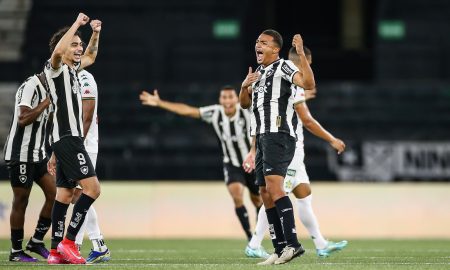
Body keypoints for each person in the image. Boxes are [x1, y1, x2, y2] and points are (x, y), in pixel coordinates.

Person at [244, 46, 347, 259]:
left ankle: (320, 243)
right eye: (308, 64)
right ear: (302, 63)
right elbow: (307, 120)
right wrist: (332, 139)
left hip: (291, 149)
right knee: (274, 192)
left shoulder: (282, 83)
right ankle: (256, 243)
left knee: (304, 194)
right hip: (286, 148)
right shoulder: (289, 75)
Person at [139, 86, 265, 247]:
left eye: (230, 97)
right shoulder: (215, 113)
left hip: (251, 163)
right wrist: (160, 103)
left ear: (236, 98)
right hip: (231, 163)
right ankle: (250, 239)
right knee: (237, 195)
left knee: (257, 200)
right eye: (224, 98)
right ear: (220, 100)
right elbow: (187, 111)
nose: (227, 101)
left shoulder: (246, 111)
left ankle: (258, 235)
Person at [239, 29, 317, 265]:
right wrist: (244, 86)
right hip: (262, 136)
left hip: (279, 134)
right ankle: (279, 247)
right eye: (256, 42)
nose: (257, 45)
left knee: (274, 189)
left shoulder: (283, 66)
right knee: (264, 193)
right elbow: (244, 105)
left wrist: (301, 53)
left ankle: (293, 245)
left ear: (275, 49)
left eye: (263, 42)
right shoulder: (259, 73)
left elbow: (308, 83)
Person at [45, 13, 102, 264]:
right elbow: (58, 50)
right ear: (63, 47)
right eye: (75, 44)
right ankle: (69, 242)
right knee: (92, 189)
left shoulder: (75, 68)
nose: (79, 48)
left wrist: (95, 34)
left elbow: (91, 56)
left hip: (64, 140)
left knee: (65, 194)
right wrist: (77, 24)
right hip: (69, 137)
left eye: (79, 44)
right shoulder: (55, 68)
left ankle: (56, 251)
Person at [3, 74, 55, 262]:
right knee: (21, 200)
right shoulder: (30, 86)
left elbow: (48, 122)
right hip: (20, 155)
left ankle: (36, 241)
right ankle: (16, 252)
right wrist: (46, 102)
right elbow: (23, 118)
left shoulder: (54, 88)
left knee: (55, 194)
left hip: (38, 154)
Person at [70, 69, 111, 263]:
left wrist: (77, 144)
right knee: (79, 195)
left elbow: (87, 116)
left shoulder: (85, 77)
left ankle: (76, 246)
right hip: (74, 143)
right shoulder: (66, 75)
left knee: (82, 194)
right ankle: (98, 245)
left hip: (85, 144)